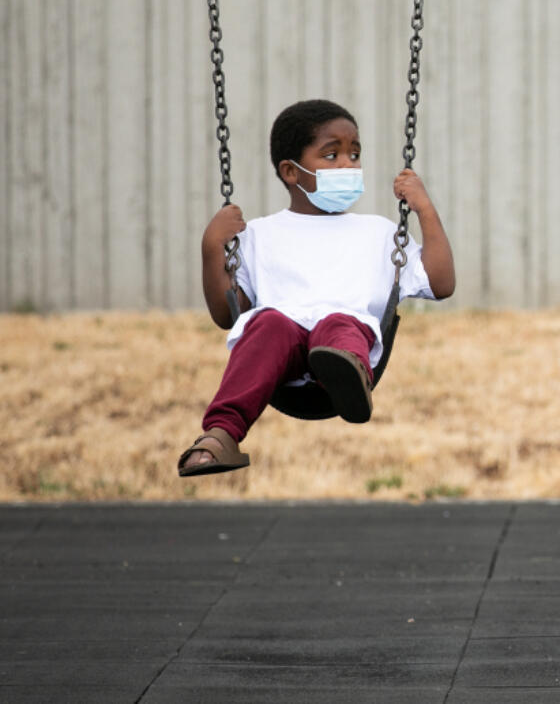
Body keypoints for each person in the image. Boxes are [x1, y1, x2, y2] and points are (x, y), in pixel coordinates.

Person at [178, 99, 456, 476]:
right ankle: (220, 435)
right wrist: (212, 248)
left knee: (338, 323)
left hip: (345, 341)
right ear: (291, 171)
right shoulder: (260, 234)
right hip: (280, 355)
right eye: (332, 155)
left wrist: (424, 210)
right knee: (269, 324)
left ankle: (345, 376)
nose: (348, 165)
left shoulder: (378, 233)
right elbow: (228, 314)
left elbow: (441, 283)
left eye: (354, 154)